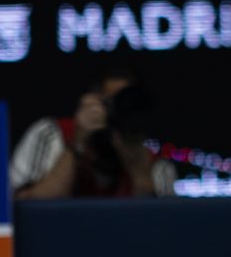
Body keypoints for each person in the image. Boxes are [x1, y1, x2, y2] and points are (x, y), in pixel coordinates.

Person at [9, 68, 175, 200]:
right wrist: (77, 144)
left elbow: (158, 227)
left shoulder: (155, 164)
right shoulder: (51, 135)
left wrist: (139, 171)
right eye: (112, 103)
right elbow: (27, 210)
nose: (119, 111)